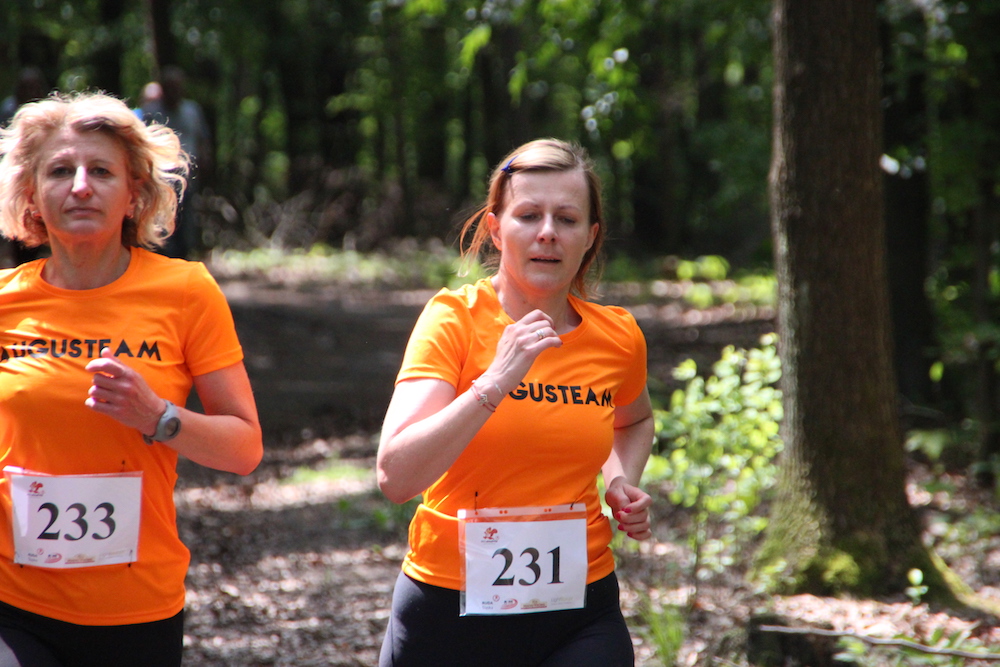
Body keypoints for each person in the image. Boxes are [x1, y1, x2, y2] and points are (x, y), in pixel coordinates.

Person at [0, 91, 262, 667]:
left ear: (134, 194)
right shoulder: (5, 302)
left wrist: (158, 417)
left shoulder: (186, 292)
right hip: (13, 601)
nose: (80, 187)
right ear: (31, 194)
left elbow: (245, 449)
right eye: (59, 171)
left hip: (135, 605)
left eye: (101, 171)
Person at [376, 138, 654, 666]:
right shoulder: (453, 320)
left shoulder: (618, 336)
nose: (548, 232)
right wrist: (494, 383)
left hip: (580, 609)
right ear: (495, 229)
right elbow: (395, 475)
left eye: (567, 219)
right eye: (528, 215)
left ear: (590, 236)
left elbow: (634, 420)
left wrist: (621, 480)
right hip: (450, 607)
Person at [139, 67, 211, 259]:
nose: (174, 91)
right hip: (160, 179)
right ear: (163, 89)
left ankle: (185, 256)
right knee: (162, 219)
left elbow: (203, 139)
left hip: (188, 177)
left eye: (178, 87)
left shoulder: (192, 111)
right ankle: (163, 258)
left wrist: (204, 161)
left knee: (186, 219)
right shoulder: (151, 113)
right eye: (170, 87)